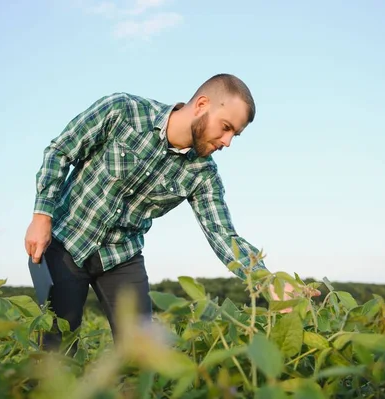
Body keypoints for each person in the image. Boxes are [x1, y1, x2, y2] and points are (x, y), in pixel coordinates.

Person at [24, 73, 311, 350]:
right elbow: (60, 151)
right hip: (66, 242)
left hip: (121, 257)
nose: (228, 142)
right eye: (226, 127)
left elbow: (222, 234)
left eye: (235, 134)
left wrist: (266, 280)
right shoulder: (122, 110)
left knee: (143, 354)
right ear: (201, 105)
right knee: (56, 349)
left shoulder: (203, 174)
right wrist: (41, 216)